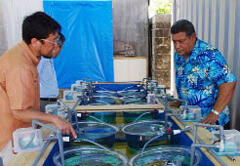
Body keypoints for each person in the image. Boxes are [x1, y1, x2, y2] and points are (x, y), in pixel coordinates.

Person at [0, 11, 76, 165]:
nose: (56, 46)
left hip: (21, 133)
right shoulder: (20, 66)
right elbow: (19, 111)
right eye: (52, 41)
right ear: (35, 42)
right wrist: (54, 119)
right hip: (10, 140)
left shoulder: (27, 57)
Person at [170, 19, 237, 128]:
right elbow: (186, 84)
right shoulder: (178, 56)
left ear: (192, 37)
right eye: (174, 41)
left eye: (181, 41)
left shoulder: (209, 55)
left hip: (211, 123)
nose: (177, 46)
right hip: (190, 119)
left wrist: (215, 113)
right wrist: (180, 102)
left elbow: (229, 82)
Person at [38, 32, 65, 112]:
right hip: (43, 102)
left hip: (50, 101)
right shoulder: (40, 61)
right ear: (55, 46)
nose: (59, 52)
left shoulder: (49, 60)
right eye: (60, 48)